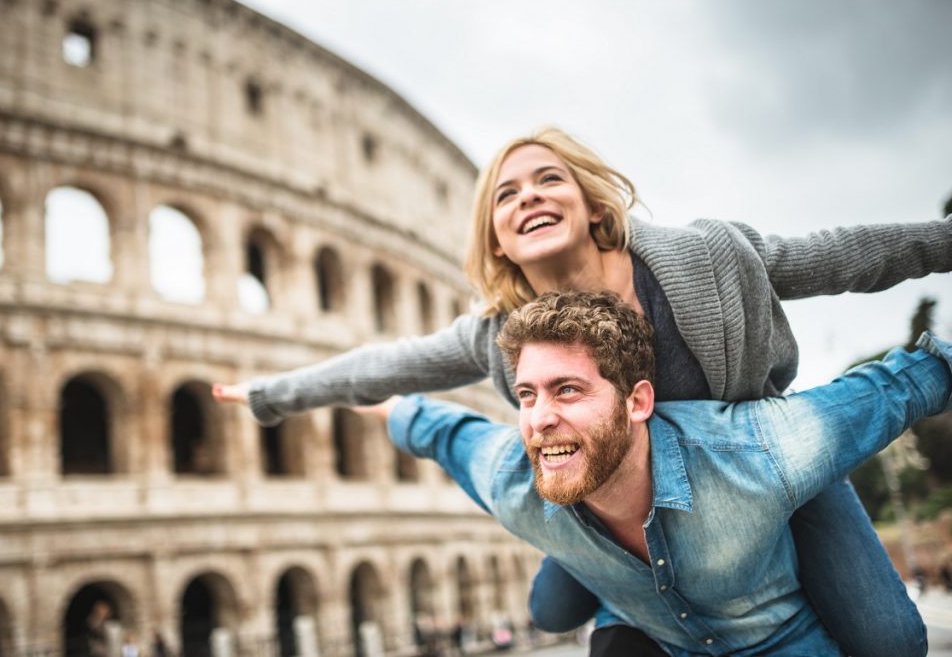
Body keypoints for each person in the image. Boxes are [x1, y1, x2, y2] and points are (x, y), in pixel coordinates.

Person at [214, 127, 952, 655]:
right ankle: (623, 582)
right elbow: (389, 367)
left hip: (751, 472)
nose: (528, 196)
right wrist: (273, 394)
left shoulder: (702, 260)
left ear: (592, 204)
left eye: (548, 179)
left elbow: (845, 256)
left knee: (890, 638)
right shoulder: (499, 332)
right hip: (609, 497)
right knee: (550, 604)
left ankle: (635, 590)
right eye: (506, 194)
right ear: (497, 238)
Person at [359, 290, 952, 656]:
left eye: (567, 390)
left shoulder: (756, 451)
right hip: (648, 630)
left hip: (777, 641)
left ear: (638, 401)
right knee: (551, 610)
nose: (539, 418)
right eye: (527, 394)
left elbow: (903, 383)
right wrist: (327, 393)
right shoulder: (510, 476)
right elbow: (437, 428)